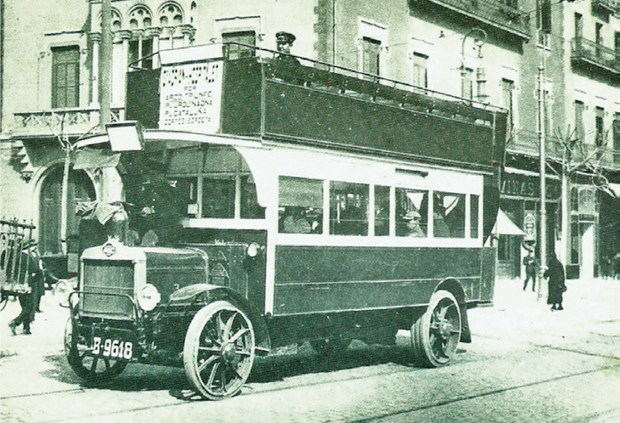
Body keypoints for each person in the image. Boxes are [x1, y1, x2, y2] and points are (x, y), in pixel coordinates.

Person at [8, 240, 44, 335]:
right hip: (28, 284)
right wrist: (40, 270)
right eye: (33, 246)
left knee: (24, 306)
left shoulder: (18, 256)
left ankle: (26, 328)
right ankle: (15, 322)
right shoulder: (28, 257)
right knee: (29, 307)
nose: (34, 248)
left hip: (19, 284)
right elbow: (36, 270)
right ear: (29, 247)